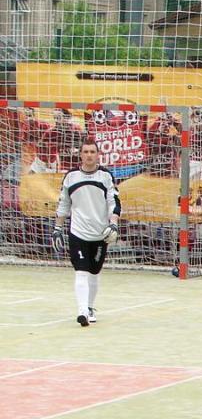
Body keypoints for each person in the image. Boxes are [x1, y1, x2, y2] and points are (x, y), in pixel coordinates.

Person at [52, 140, 120, 327]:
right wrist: (58, 228)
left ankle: (90, 307)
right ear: (80, 155)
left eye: (92, 152)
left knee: (94, 273)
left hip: (100, 233)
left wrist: (113, 224)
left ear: (98, 155)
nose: (89, 155)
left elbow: (113, 202)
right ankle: (82, 311)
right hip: (78, 232)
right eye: (86, 152)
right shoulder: (71, 177)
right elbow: (64, 204)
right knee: (81, 271)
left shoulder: (105, 176)